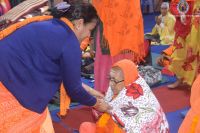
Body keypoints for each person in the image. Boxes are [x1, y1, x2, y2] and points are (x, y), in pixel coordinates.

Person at [0, 2, 111, 132]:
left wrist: (92, 92)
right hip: (10, 83)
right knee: (35, 124)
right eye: (90, 30)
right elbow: (73, 89)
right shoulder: (70, 42)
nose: (88, 35)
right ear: (80, 23)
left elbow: (68, 77)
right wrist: (97, 104)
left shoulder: (48, 23)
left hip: (7, 70)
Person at [79, 59, 169, 133]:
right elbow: (111, 106)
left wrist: (105, 109)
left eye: (114, 80)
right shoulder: (122, 85)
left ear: (127, 80)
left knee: (87, 128)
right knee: (86, 127)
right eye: (110, 78)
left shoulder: (138, 95)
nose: (110, 84)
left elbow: (133, 127)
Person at [92, 0, 145, 93]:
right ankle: (110, 96)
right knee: (109, 66)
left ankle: (117, 97)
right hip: (111, 32)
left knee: (120, 67)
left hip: (124, 33)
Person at [168, 0, 199, 88]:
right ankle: (179, 79)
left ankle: (192, 82)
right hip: (181, 29)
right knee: (178, 56)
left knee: (193, 56)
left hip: (194, 30)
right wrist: (180, 13)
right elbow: (173, 6)